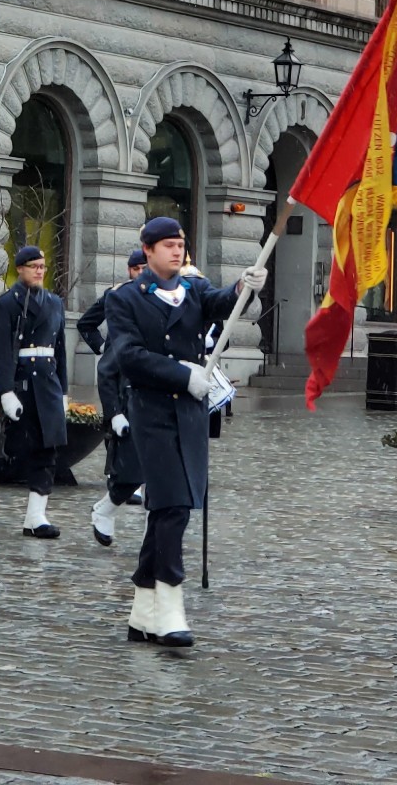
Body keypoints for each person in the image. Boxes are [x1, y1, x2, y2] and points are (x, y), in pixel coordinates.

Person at [104, 218, 265, 647]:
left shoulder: (192, 290)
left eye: (180, 245)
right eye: (168, 246)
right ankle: (171, 606)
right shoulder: (125, 299)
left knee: (171, 507)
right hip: (152, 410)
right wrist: (181, 375)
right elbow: (129, 356)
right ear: (148, 250)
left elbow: (220, 305)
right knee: (172, 505)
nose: (177, 252)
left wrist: (242, 288)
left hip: (190, 416)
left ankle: (143, 610)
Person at [0, 246, 69, 538]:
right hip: (21, 384)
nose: (40, 271)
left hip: (48, 386)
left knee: (47, 453)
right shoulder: (4, 304)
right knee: (13, 452)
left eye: (43, 266)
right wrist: (5, 391)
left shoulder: (54, 302)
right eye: (34, 266)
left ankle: (35, 517)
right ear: (21, 269)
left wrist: (63, 391)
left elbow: (60, 351)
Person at [79, 248, 149, 547]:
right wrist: (103, 348)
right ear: (130, 269)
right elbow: (86, 324)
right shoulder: (116, 295)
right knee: (120, 441)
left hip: (147, 379)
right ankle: (116, 486)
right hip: (119, 374)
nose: (142, 272)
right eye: (138, 268)